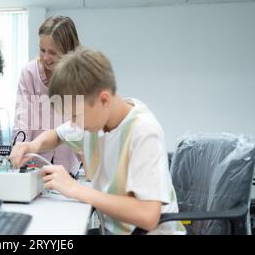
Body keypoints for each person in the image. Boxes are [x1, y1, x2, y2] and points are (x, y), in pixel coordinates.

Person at [10, 47, 185, 235]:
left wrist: (75, 189)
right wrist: (32, 145)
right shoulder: (96, 120)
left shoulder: (143, 132)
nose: (74, 124)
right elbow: (57, 135)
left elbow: (148, 215)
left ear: (104, 99)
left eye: (76, 115)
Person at [12, 15, 81, 175]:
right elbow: (22, 119)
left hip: (67, 163)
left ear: (68, 51)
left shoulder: (78, 77)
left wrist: (87, 160)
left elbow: (81, 126)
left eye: (52, 52)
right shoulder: (29, 73)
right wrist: (20, 149)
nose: (45, 57)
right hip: (34, 162)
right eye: (42, 50)